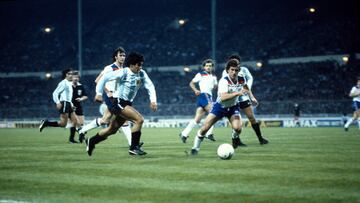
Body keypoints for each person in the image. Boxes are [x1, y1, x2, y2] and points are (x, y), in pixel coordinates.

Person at [86, 52, 157, 156]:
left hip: (127, 103)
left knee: (112, 129)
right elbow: (104, 78)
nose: (140, 67)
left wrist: (153, 100)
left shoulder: (141, 73)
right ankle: (134, 148)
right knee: (139, 120)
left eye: (141, 64)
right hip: (118, 102)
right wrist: (99, 93)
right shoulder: (123, 72)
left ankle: (92, 141)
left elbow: (150, 86)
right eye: (139, 65)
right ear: (132, 65)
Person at [190, 59, 252, 155]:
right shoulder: (224, 81)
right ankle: (195, 148)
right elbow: (223, 97)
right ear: (227, 70)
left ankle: (235, 138)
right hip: (220, 107)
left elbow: (246, 86)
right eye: (232, 70)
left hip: (233, 107)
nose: (234, 72)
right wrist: (238, 93)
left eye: (236, 70)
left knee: (238, 128)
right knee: (205, 128)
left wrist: (252, 98)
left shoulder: (241, 78)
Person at [78, 47, 132, 146]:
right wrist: (108, 92)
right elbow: (98, 80)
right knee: (124, 118)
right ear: (116, 57)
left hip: (117, 97)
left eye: (124, 55)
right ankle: (132, 144)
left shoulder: (124, 69)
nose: (123, 57)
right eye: (120, 55)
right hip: (110, 96)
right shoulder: (110, 68)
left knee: (105, 120)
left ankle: (82, 130)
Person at [222, 54, 268, 146]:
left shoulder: (244, 70)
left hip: (243, 98)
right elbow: (224, 86)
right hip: (233, 99)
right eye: (233, 63)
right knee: (236, 121)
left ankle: (260, 138)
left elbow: (247, 82)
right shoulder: (225, 72)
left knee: (252, 118)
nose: (235, 65)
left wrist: (251, 97)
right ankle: (236, 140)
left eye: (237, 63)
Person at [179, 59, 218, 143]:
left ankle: (184, 133)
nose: (208, 67)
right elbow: (191, 83)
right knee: (214, 113)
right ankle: (209, 134)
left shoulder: (214, 77)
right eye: (207, 66)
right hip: (204, 95)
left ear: (212, 67)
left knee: (197, 120)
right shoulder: (200, 74)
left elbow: (215, 87)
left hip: (207, 97)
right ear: (204, 67)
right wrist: (195, 90)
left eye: (210, 66)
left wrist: (215, 85)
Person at [39, 69, 80, 143]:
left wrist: (72, 105)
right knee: (63, 124)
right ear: (66, 75)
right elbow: (55, 93)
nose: (71, 75)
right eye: (69, 74)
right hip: (64, 103)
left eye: (72, 74)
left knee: (75, 121)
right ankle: (46, 123)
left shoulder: (69, 83)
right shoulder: (63, 83)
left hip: (68, 104)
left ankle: (71, 139)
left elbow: (68, 97)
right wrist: (57, 102)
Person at [70, 71, 88, 143]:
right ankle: (77, 137)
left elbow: (85, 96)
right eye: (74, 77)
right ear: (71, 78)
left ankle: (79, 137)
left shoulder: (80, 86)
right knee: (75, 122)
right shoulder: (68, 85)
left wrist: (81, 99)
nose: (76, 78)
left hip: (78, 106)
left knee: (81, 124)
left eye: (77, 77)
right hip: (70, 106)